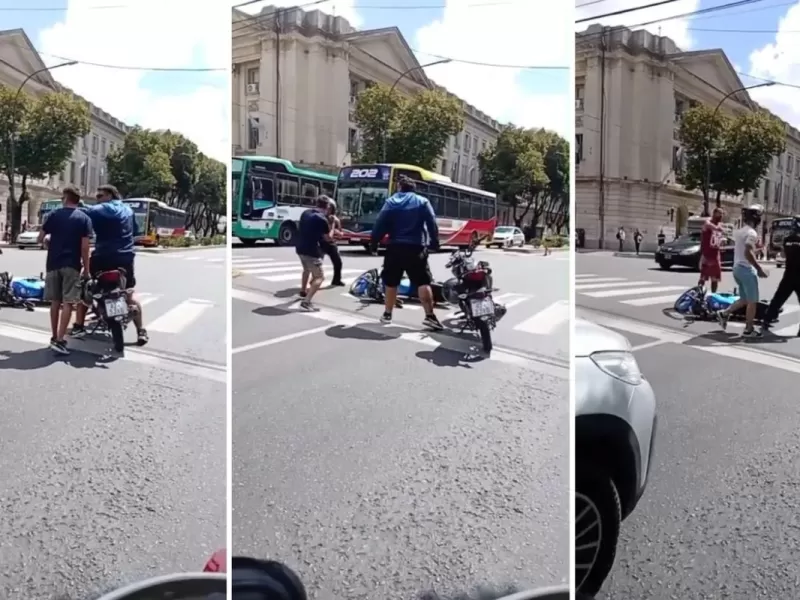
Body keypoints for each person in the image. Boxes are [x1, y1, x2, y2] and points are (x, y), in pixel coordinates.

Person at [71, 185, 149, 346]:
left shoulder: (99, 209)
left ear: (109, 195)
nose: (97, 199)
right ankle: (141, 331)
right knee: (128, 292)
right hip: (126, 257)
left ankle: (78, 325)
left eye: (99, 196)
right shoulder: (128, 210)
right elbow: (134, 231)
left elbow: (81, 213)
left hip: (103, 256)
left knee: (87, 287)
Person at [370, 176, 442, 329]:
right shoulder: (422, 202)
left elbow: (380, 223)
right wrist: (434, 243)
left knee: (391, 282)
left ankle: (387, 314)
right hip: (416, 247)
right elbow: (431, 223)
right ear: (413, 188)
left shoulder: (390, 202)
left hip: (394, 247)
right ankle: (429, 316)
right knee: (423, 281)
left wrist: (374, 242)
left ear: (399, 187)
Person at [37, 186, 93, 355]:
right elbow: (85, 247)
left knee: (55, 301)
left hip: (53, 264)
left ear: (66, 198)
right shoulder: (84, 218)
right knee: (68, 302)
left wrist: (49, 244)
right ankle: (61, 340)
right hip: (72, 265)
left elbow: (41, 238)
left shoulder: (53, 215)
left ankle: (54, 336)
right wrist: (87, 269)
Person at [716, 204, 769, 337]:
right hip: (746, 269)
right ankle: (748, 330)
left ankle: (724, 313)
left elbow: (743, 250)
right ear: (756, 218)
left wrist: (755, 250)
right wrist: (759, 269)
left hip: (736, 269)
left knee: (744, 299)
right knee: (752, 301)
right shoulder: (752, 233)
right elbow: (747, 252)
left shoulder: (740, 231)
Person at [762, 215, 800, 335]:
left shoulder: (787, 239)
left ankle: (766, 321)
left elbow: (784, 255)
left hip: (788, 274)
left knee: (778, 299)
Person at [296, 196, 333, 310]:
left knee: (306, 269)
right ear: (327, 206)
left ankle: (303, 291)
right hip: (312, 251)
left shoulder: (305, 213)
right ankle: (306, 303)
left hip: (299, 247)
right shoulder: (322, 219)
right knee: (319, 277)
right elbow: (328, 238)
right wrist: (333, 227)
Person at [699, 207, 725, 293]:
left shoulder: (719, 224)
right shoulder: (708, 222)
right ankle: (699, 293)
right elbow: (712, 227)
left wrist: (722, 241)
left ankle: (713, 295)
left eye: (722, 214)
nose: (721, 216)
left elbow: (719, 235)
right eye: (719, 214)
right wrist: (721, 229)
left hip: (715, 254)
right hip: (706, 254)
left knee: (715, 278)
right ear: (714, 214)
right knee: (703, 277)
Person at [321, 200, 344, 286]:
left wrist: (338, 233)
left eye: (330, 208)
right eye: (327, 208)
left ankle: (336, 280)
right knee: (317, 263)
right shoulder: (322, 217)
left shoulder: (336, 220)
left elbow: (341, 233)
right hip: (322, 242)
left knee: (338, 262)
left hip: (332, 243)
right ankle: (314, 280)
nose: (328, 210)